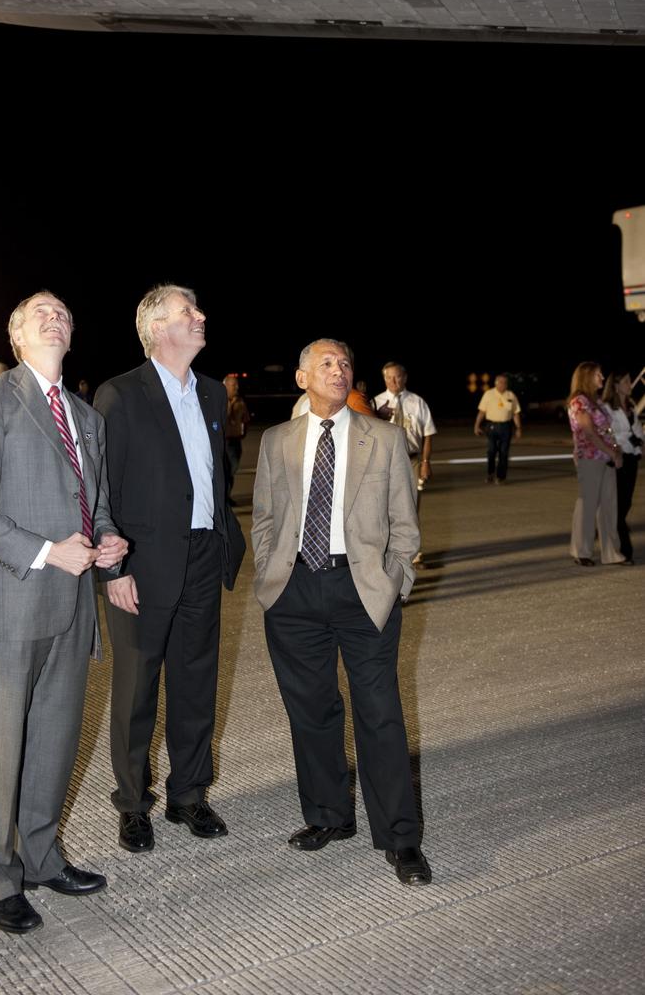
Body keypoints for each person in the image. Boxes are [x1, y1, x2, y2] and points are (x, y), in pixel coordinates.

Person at [0, 292, 127, 935]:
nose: (55, 316)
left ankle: (43, 857)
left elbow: (96, 504)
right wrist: (47, 551)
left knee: (54, 740)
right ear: (17, 336)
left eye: (63, 312)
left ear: (72, 335)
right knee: (0, 746)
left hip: (74, 603)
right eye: (38, 312)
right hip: (10, 598)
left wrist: (108, 540)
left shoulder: (87, 416)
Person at [251, 339, 430, 886]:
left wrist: (395, 580)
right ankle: (329, 815)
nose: (338, 368)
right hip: (294, 593)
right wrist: (269, 575)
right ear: (302, 377)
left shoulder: (384, 438)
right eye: (325, 363)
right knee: (311, 711)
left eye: (344, 362)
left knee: (379, 712)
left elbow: (405, 523)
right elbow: (264, 517)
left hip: (362, 590)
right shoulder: (276, 441)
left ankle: (400, 838)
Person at [94, 285, 246, 855]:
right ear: (158, 327)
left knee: (196, 681)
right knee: (136, 688)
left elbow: (213, 475)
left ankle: (189, 794)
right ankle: (133, 803)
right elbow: (101, 490)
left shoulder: (211, 393)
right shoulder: (121, 394)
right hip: (142, 561)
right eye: (189, 311)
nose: (201, 316)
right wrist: (115, 570)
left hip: (204, 556)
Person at [373, 362, 435, 564]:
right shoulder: (375, 403)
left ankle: (414, 552)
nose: (393, 381)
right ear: (384, 379)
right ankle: (389, 550)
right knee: (385, 507)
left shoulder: (417, 403)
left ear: (405, 377)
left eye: (397, 377)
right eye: (389, 377)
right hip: (386, 462)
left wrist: (425, 461)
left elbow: (427, 434)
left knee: (412, 506)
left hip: (412, 459)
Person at [567, 361, 625, 568]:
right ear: (586, 377)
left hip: (606, 458)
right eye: (598, 374)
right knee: (588, 505)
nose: (602, 378)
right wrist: (612, 452)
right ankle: (581, 551)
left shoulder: (596, 401)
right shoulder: (579, 401)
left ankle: (612, 553)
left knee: (609, 506)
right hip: (591, 458)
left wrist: (615, 451)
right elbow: (588, 433)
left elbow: (606, 431)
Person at [601, 371, 643, 564]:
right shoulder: (607, 408)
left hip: (632, 457)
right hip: (618, 457)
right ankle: (624, 549)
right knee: (618, 504)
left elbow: (637, 430)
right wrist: (622, 443)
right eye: (626, 381)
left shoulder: (631, 407)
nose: (630, 384)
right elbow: (608, 433)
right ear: (616, 385)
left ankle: (610, 533)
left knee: (625, 503)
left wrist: (639, 443)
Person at [474, 373, 522, 484]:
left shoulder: (511, 395)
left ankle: (501, 477)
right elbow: (482, 412)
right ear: (496, 383)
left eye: (505, 382)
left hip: (506, 427)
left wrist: (518, 428)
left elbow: (515, 413)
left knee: (503, 452)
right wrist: (476, 426)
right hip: (491, 426)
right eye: (500, 382)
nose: (503, 384)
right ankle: (490, 473)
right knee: (491, 451)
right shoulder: (488, 394)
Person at [223, 373, 251, 499]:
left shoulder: (240, 401)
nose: (237, 387)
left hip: (235, 441)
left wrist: (243, 432)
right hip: (223, 442)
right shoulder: (219, 400)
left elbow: (246, 419)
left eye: (237, 385)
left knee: (232, 469)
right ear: (226, 385)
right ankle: (224, 498)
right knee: (225, 471)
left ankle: (227, 496)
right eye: (234, 385)